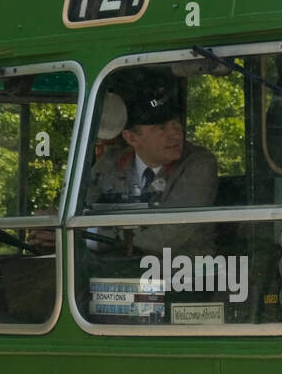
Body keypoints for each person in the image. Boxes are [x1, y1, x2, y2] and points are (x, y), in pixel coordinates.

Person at [86, 72, 218, 253]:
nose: (175, 134)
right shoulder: (109, 163)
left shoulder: (199, 164)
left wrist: (92, 237)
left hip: (184, 276)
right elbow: (80, 210)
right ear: (131, 138)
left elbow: (167, 235)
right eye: (161, 128)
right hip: (113, 271)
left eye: (176, 123)